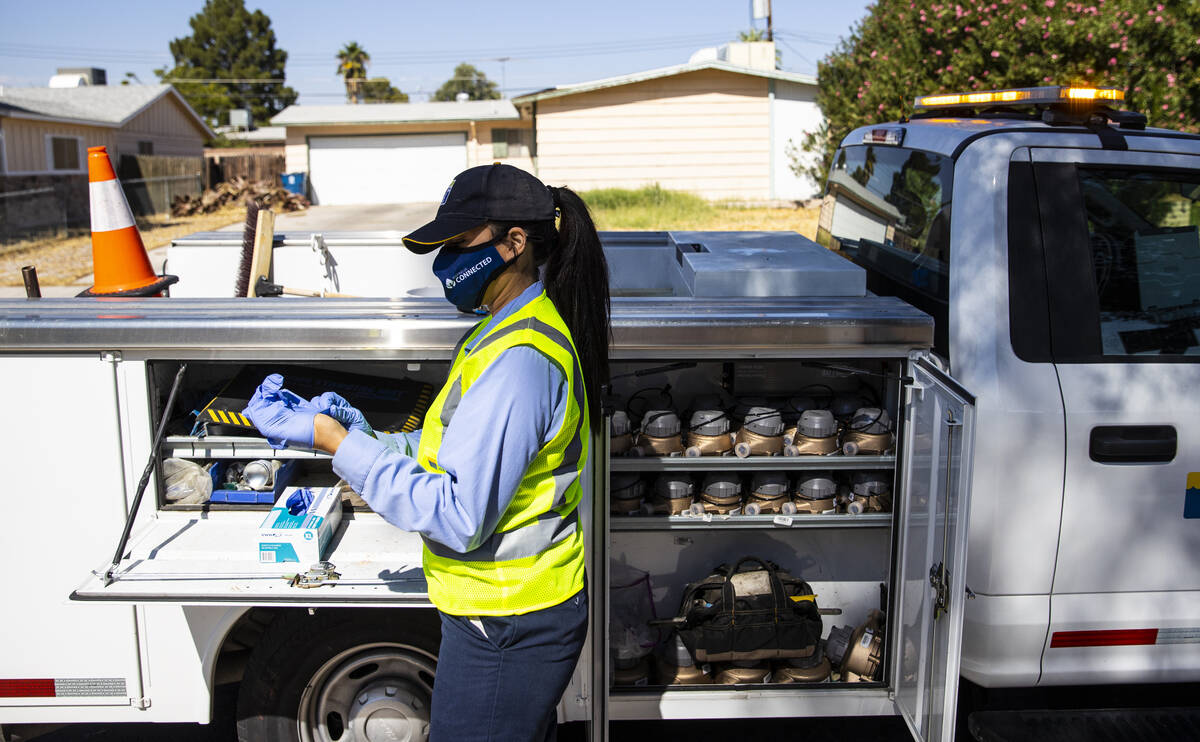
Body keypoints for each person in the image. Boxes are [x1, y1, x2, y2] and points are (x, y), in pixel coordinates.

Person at [243, 163, 611, 742]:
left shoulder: (519, 361)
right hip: (499, 613)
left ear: (515, 244)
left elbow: (459, 515)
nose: (444, 259)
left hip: (509, 619)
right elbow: (450, 448)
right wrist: (364, 434)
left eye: (458, 242)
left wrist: (335, 443)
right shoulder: (500, 330)